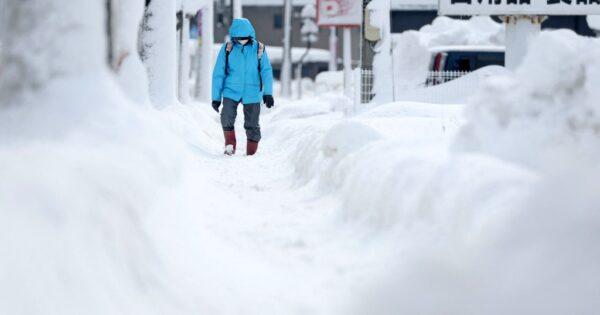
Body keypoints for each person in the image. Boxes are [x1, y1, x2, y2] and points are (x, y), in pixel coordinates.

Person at [211, 18, 274, 156]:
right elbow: (218, 73)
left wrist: (268, 93)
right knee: (226, 117)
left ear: (250, 35)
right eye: (239, 38)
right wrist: (216, 97)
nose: (242, 40)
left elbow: (266, 71)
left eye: (245, 38)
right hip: (231, 90)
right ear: (234, 36)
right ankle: (229, 145)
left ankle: (251, 153)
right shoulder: (228, 48)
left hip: (252, 91)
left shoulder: (259, 48)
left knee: (252, 123)